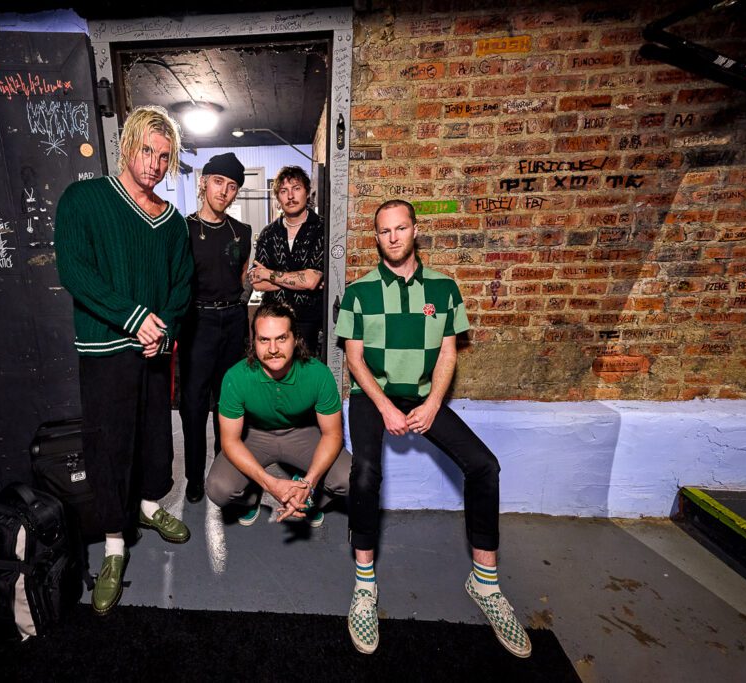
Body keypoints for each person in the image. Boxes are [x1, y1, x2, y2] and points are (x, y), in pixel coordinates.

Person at [334, 199, 532, 657]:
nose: (394, 238)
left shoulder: (443, 289)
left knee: (484, 466)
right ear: (377, 237)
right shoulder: (361, 291)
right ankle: (365, 586)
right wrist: (383, 405)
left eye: (401, 228)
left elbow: (448, 353)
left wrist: (432, 403)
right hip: (373, 395)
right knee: (365, 473)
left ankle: (485, 582)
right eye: (384, 231)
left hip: (425, 394)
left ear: (415, 231)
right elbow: (354, 359)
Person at [55, 105, 193, 616]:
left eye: (165, 156)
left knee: (156, 433)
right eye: (147, 151)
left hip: (154, 350)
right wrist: (134, 317)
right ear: (127, 145)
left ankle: (152, 506)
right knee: (110, 444)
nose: (155, 164)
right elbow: (75, 270)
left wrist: (167, 329)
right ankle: (115, 543)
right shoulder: (84, 199)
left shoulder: (172, 221)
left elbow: (182, 286)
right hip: (106, 348)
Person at [205, 302, 350, 528]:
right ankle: (251, 496)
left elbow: (332, 435)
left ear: (296, 340)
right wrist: (271, 484)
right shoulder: (236, 377)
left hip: (301, 432)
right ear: (254, 342)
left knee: (351, 477)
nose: (273, 349)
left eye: (281, 338)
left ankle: (306, 498)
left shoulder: (318, 374)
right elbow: (230, 441)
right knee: (219, 488)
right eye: (264, 339)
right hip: (255, 434)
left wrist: (308, 484)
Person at [179, 153, 252, 504]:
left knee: (229, 405)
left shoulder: (242, 232)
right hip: (197, 322)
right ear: (204, 182)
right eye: (219, 182)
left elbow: (241, 278)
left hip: (233, 320)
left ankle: (227, 475)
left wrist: (244, 297)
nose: (224, 191)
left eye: (232, 186)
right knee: (194, 404)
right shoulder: (183, 229)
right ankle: (194, 478)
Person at [249, 166, 325, 355]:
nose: (290, 196)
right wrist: (301, 280)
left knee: (304, 374)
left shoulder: (322, 228)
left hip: (308, 320)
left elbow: (311, 280)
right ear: (278, 197)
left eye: (296, 188)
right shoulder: (268, 233)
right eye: (284, 191)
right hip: (273, 320)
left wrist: (269, 274)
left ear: (307, 193)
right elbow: (258, 282)